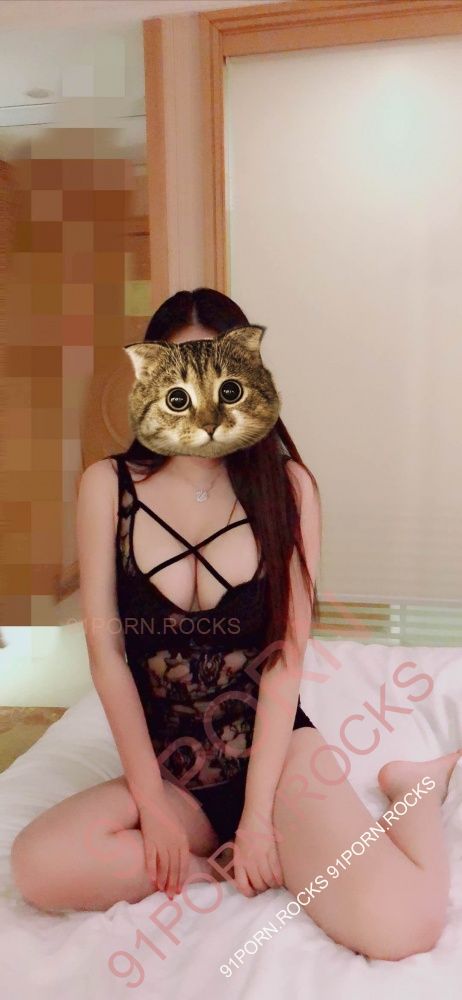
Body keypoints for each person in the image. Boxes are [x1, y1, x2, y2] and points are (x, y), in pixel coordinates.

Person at [10, 288, 461, 962]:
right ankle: (211, 870)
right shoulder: (109, 486)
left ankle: (413, 789)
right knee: (37, 866)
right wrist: (153, 807)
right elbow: (107, 657)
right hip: (173, 775)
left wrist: (256, 821)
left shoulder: (289, 488)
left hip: (275, 764)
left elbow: (286, 660)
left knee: (405, 928)